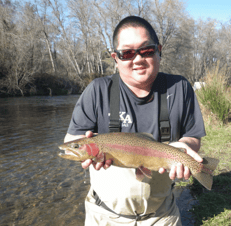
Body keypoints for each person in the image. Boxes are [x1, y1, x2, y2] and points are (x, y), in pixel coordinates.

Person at [64, 16, 206, 226]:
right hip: (104, 216)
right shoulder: (97, 91)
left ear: (159, 50)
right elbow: (72, 139)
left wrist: (185, 147)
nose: (137, 59)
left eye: (146, 50)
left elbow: (192, 135)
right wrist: (82, 144)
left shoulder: (179, 88)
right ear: (115, 58)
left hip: (162, 216)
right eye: (127, 53)